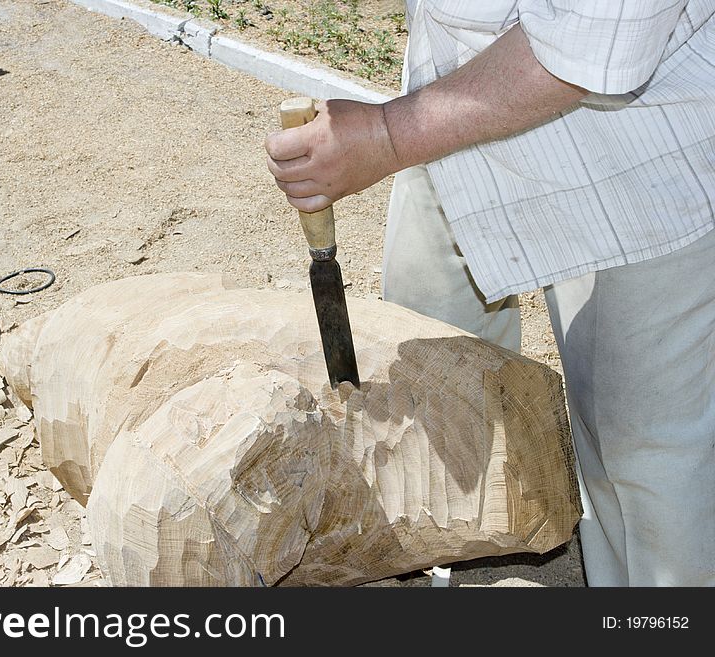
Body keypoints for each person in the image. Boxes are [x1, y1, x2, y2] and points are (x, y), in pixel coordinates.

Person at [265, 1, 715, 587]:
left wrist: (386, 136)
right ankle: (476, 554)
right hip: (457, 96)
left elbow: (592, 46)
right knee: (431, 370)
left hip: (639, 146)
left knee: (642, 451)